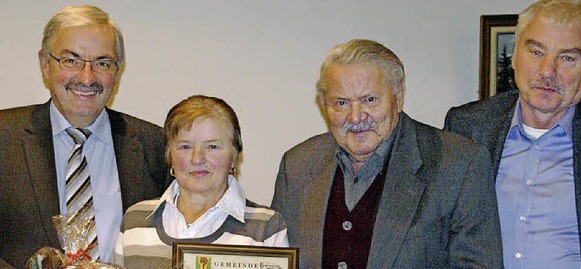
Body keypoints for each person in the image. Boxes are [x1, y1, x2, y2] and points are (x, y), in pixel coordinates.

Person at [271, 39, 502, 268]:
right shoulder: (296, 166)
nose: (356, 117)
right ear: (323, 104)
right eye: (341, 103)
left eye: (369, 100)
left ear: (398, 94)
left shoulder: (460, 164)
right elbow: (275, 259)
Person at [444, 0, 581, 268]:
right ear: (514, 56)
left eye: (567, 58)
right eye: (536, 52)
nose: (548, 71)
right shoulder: (468, 126)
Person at [0, 5, 168, 266]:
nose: (87, 78)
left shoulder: (155, 145)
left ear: (117, 71)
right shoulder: (4, 138)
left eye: (102, 63)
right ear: (45, 64)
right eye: (71, 60)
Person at [118, 95, 289, 268]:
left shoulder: (266, 228)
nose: (197, 158)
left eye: (212, 146)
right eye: (185, 146)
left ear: (234, 157)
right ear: (170, 155)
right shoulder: (134, 220)